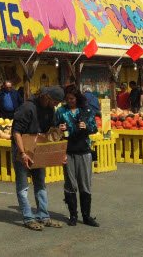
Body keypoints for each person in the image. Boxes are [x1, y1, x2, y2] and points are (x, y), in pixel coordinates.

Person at [11, 85, 66, 231]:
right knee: (23, 187)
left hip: (38, 150)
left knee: (40, 184)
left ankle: (43, 216)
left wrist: (58, 136)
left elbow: (49, 132)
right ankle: (28, 218)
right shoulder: (27, 107)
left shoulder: (50, 109)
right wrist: (22, 153)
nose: (56, 105)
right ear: (47, 97)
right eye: (55, 102)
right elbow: (16, 132)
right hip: (22, 150)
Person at [56, 86, 99, 227]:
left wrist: (86, 126)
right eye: (67, 99)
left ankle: (86, 216)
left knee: (85, 184)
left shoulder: (86, 110)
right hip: (68, 151)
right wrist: (59, 129)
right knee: (70, 184)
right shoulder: (61, 111)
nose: (70, 101)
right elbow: (53, 130)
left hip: (84, 151)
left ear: (77, 98)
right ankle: (73, 215)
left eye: (72, 99)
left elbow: (94, 128)